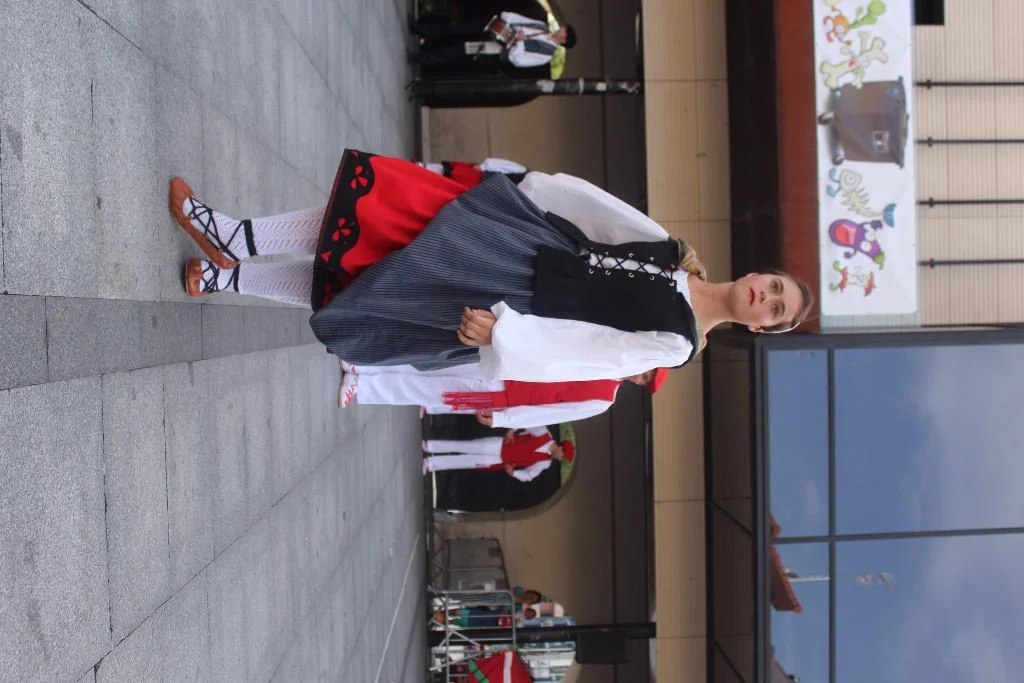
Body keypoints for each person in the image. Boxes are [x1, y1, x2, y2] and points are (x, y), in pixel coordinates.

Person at [169, 149, 813, 382]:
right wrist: (525, 186)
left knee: (362, 287)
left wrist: (507, 334)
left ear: (761, 327)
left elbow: (588, 353)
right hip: (522, 238)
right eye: (774, 286)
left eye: (777, 309)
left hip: (511, 302)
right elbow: (597, 212)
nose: (767, 296)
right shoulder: (675, 253)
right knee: (372, 214)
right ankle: (235, 235)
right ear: (759, 274)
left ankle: (230, 275)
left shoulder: (677, 343)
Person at [336, 361, 666, 429]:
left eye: (644, 379)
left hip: (506, 393)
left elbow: (553, 414)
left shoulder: (605, 399)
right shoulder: (603, 351)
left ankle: (362, 386)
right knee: (434, 362)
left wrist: (505, 419)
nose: (640, 376)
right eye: (646, 370)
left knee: (430, 390)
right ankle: (363, 364)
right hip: (506, 360)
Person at [409, 11, 576, 71]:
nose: (561, 28)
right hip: (496, 28)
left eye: (564, 31)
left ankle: (420, 58)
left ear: (564, 39)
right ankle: (421, 29)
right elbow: (519, 19)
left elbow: (519, 61)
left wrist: (519, 42)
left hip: (497, 49)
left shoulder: (546, 55)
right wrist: (506, 19)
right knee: (457, 27)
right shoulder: (542, 26)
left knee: (460, 50)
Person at [421, 426, 573, 481]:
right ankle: (431, 446)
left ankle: (431, 464)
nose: (560, 458)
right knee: (467, 446)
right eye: (562, 455)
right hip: (500, 444)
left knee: (466, 461)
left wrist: (514, 473)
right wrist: (512, 430)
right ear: (560, 448)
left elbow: (530, 475)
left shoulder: (545, 462)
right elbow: (526, 421)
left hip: (500, 461)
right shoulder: (544, 434)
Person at [414, 157, 529, 189]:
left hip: (481, 188)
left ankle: (418, 179)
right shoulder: (522, 171)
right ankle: (419, 167)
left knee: (447, 185)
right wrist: (484, 166)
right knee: (451, 172)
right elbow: (503, 164)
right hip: (480, 176)